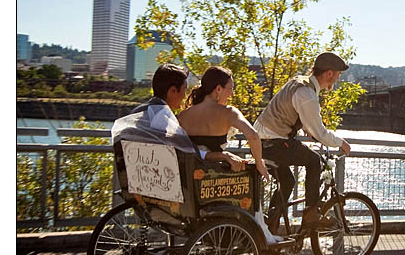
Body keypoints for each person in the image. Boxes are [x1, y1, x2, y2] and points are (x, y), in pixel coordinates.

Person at [178, 66, 281, 244]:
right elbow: (253, 136)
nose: (231, 94)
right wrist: (259, 163)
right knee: (252, 174)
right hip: (216, 178)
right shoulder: (228, 112)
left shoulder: (183, 116)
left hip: (192, 179)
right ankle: (258, 229)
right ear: (218, 89)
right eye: (230, 89)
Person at [254, 52, 352, 231]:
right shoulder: (306, 93)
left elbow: (290, 111)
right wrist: (341, 142)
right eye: (338, 75)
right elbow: (320, 132)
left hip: (261, 141)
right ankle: (311, 213)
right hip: (276, 141)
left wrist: (305, 126)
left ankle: (269, 227)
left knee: (288, 181)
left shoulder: (297, 81)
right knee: (314, 161)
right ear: (329, 73)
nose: (337, 79)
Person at [112, 63, 246, 172]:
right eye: (184, 90)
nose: (184, 97)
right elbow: (189, 155)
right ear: (172, 91)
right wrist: (223, 155)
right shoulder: (164, 119)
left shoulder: (141, 111)